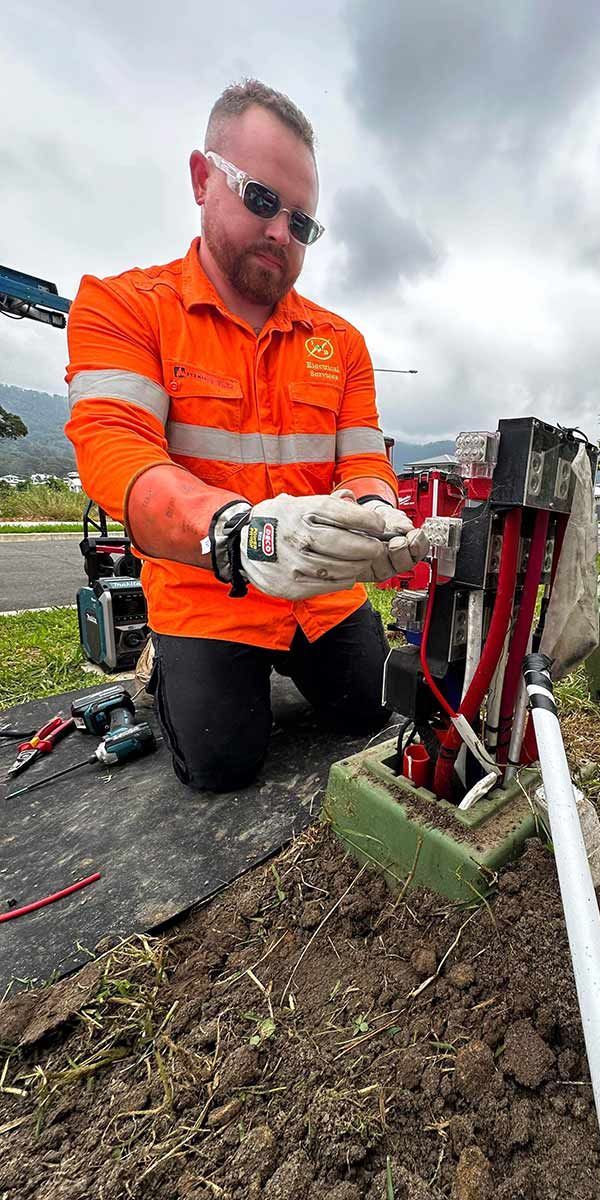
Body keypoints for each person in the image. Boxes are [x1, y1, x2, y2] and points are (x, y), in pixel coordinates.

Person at [65, 79, 427, 792]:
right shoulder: (122, 308)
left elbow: (361, 458)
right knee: (222, 761)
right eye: (262, 200)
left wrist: (378, 507)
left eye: (303, 223)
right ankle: (172, 661)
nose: (279, 232)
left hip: (319, 594)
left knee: (370, 711)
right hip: (206, 591)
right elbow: (119, 455)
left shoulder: (340, 342)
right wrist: (237, 531)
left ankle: (279, 669)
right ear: (203, 179)